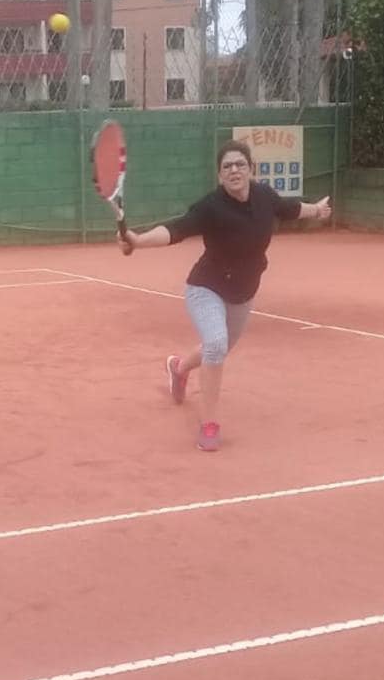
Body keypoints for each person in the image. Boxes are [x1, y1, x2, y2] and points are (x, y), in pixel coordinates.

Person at [117, 140, 331, 451]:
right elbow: (177, 229)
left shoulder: (264, 196)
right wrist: (138, 240)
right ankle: (209, 424)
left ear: (250, 169)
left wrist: (318, 210)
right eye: (227, 166)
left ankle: (179, 369)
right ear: (219, 175)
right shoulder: (211, 207)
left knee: (216, 348)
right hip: (206, 288)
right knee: (216, 344)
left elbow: (291, 208)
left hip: (243, 293)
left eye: (240, 164)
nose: (234, 170)